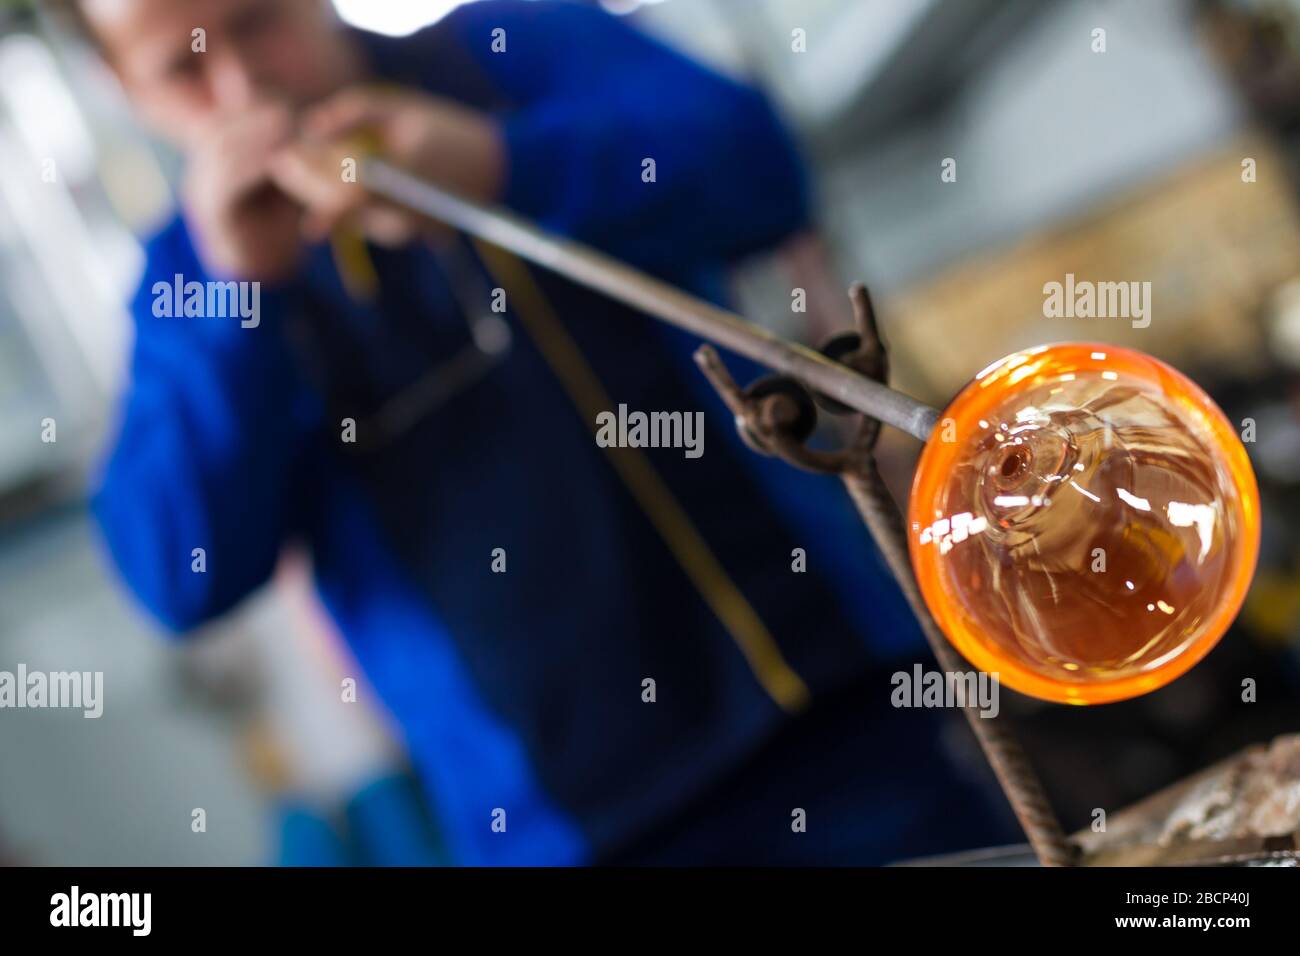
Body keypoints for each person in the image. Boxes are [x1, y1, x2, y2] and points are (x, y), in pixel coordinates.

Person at [76, 0, 1017, 864]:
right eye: (182, 68)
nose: (245, 84)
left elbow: (761, 166)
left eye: (258, 22)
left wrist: (499, 163)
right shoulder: (186, 284)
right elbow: (180, 574)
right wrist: (236, 301)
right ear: (126, 93)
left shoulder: (512, 51)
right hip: (564, 832)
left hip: (829, 713)